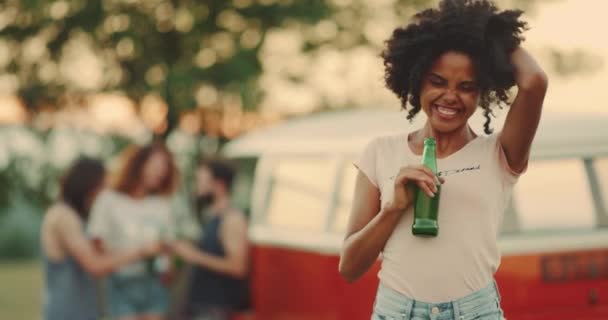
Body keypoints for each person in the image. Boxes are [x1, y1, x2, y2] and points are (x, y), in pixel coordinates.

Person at [338, 0, 548, 319]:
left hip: (475, 312)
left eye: (466, 87)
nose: (450, 96)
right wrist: (393, 207)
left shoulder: (500, 154)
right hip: (397, 312)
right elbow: (350, 267)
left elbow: (534, 82)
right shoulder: (380, 152)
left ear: (482, 93)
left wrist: (488, 30)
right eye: (437, 82)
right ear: (417, 79)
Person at [41, 157, 163, 320]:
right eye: (102, 188)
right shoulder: (63, 216)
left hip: (84, 312)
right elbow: (94, 265)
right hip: (67, 313)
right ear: (87, 186)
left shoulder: (80, 219)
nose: (105, 195)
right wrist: (140, 251)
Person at [87, 143, 180, 320]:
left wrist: (168, 263)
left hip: (154, 284)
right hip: (121, 283)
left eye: (165, 168)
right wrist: (139, 252)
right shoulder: (109, 200)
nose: (161, 172)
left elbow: (168, 248)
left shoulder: (162, 205)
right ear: (139, 165)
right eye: (156, 166)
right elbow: (97, 250)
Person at [171, 157, 249, 320]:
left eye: (201, 181)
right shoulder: (212, 215)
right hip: (199, 305)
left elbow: (238, 267)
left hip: (214, 308)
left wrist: (194, 255)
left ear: (219, 185)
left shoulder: (232, 218)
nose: (197, 187)